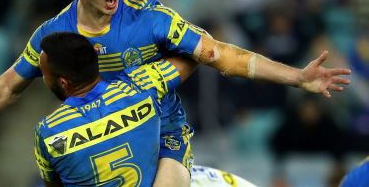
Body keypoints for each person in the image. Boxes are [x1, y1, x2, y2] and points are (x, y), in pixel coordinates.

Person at [0, 0, 351, 186]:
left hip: (162, 134)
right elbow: (7, 86)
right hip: (96, 137)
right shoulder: (53, 36)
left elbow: (221, 55)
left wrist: (298, 78)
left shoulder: (150, 18)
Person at [34, 32, 257, 187]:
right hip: (180, 172)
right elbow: (197, 52)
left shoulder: (48, 132)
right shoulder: (140, 85)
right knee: (174, 139)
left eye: (44, 74)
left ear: (63, 83)